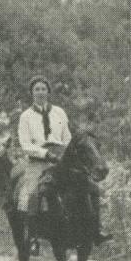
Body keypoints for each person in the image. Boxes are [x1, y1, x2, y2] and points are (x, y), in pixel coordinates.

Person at [19, 76, 109, 244]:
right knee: (33, 191)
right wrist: (45, 154)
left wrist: (67, 155)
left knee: (92, 187)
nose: (40, 92)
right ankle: (32, 236)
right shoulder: (26, 116)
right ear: (32, 92)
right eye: (36, 89)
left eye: (43, 89)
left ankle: (95, 230)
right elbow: (25, 144)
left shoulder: (59, 112)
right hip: (39, 159)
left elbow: (67, 138)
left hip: (61, 157)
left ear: (48, 92)